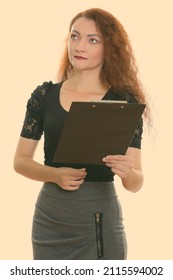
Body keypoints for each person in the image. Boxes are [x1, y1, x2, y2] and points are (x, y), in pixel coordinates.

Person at [14, 8, 150, 260]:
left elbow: (136, 183)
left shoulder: (123, 102)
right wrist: (54, 175)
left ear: (109, 49)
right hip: (50, 219)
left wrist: (127, 171)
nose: (80, 46)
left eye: (93, 40)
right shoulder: (44, 96)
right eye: (75, 37)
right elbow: (20, 161)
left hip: (98, 219)